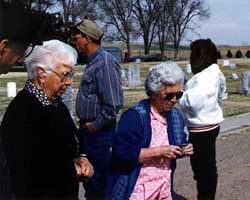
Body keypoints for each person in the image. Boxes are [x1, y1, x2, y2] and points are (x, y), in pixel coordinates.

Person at [0, 40, 94, 199]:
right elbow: (33, 169)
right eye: (65, 74)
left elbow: (74, 138)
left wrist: (82, 157)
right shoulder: (23, 111)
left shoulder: (55, 105)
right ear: (41, 74)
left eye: (71, 74)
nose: (69, 82)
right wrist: (73, 171)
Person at [106, 61, 193, 200]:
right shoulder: (134, 117)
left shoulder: (175, 116)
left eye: (178, 95)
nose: (174, 100)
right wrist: (159, 151)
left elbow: (179, 140)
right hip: (137, 189)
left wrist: (184, 148)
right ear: (154, 92)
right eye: (169, 96)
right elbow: (121, 154)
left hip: (163, 188)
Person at [73, 19, 124, 200]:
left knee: (98, 183)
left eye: (77, 36)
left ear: (87, 38)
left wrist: (94, 125)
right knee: (90, 182)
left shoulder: (105, 63)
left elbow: (114, 105)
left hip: (99, 134)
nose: (75, 40)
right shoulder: (93, 62)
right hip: (89, 132)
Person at [178, 39, 226, 200]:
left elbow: (192, 102)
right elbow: (220, 96)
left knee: (203, 169)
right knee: (205, 166)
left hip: (202, 128)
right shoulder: (213, 73)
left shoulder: (206, 78)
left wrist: (179, 95)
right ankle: (206, 194)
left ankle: (205, 197)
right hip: (209, 124)